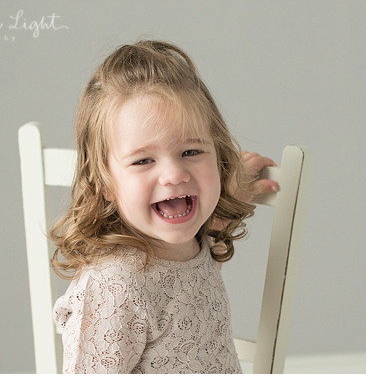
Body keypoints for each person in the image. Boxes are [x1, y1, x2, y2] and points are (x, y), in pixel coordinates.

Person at [50, 40, 277, 373]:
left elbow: (184, 289)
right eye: (143, 160)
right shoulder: (114, 288)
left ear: (219, 157)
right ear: (105, 183)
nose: (173, 174)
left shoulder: (191, 244)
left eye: (191, 152)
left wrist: (230, 195)